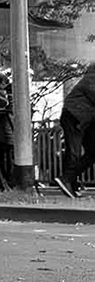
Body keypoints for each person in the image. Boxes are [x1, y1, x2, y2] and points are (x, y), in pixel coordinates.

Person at [54, 65, 95, 198]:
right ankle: (67, 179)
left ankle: (70, 182)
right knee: (74, 150)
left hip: (83, 117)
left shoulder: (89, 77)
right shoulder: (91, 79)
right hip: (74, 116)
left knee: (91, 151)